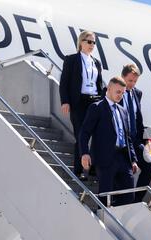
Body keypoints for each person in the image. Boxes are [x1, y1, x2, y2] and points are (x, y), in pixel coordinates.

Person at [79, 76, 138, 207]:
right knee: (105, 194)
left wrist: (133, 159)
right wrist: (84, 153)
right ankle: (103, 220)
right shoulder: (97, 107)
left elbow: (127, 137)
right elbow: (85, 132)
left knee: (129, 195)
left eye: (123, 93)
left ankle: (116, 218)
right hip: (105, 158)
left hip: (123, 157)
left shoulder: (123, 111)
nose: (120, 96)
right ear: (109, 89)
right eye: (118, 92)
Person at [59, 30, 103, 180]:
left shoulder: (96, 62)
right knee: (80, 134)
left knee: (97, 134)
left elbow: (99, 84)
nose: (91, 45)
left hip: (95, 100)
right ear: (81, 42)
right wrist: (65, 101)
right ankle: (78, 170)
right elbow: (64, 82)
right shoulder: (71, 60)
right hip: (79, 101)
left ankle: (93, 167)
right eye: (88, 41)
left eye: (94, 42)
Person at [121, 64, 151, 202]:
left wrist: (146, 140)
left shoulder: (137, 93)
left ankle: (137, 200)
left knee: (149, 166)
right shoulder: (114, 91)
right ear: (123, 77)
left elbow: (138, 119)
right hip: (121, 138)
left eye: (135, 81)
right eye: (129, 80)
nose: (132, 84)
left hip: (135, 139)